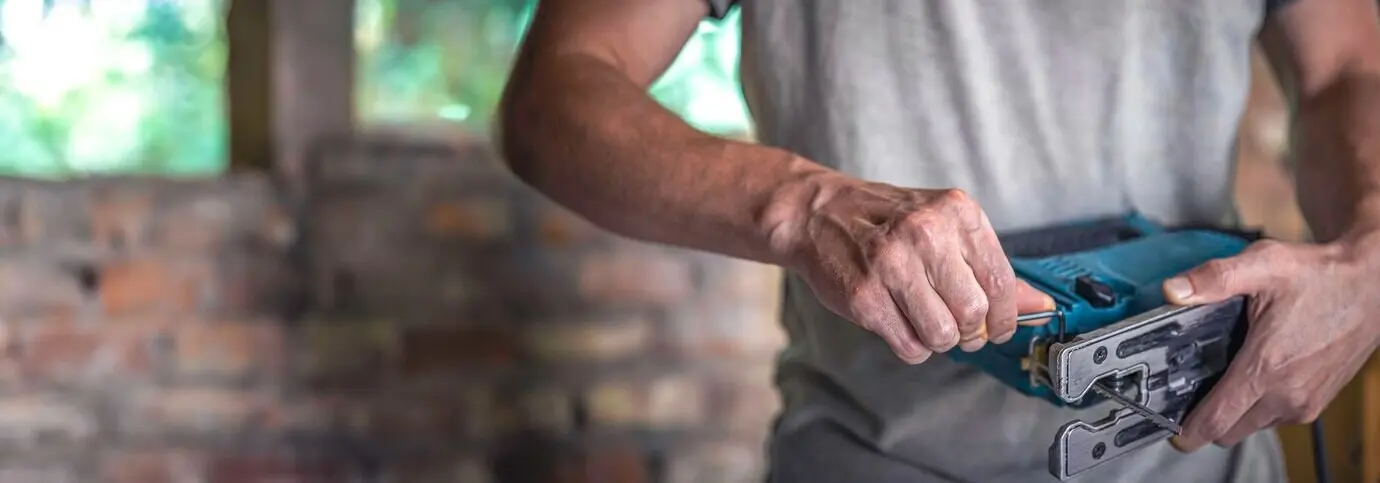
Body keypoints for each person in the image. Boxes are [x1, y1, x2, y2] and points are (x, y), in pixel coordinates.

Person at [494, 0, 1380, 481]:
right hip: (875, 454)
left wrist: (1372, 253)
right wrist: (802, 204)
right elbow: (555, 91)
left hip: (1208, 455)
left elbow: (1349, 66)